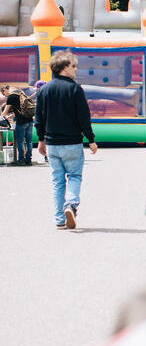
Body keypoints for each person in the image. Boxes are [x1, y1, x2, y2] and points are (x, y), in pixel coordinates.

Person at [34, 51, 98, 229]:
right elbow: (83, 117)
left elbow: (38, 118)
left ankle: (59, 219)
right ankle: (71, 204)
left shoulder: (44, 90)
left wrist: (41, 140)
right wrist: (90, 139)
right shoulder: (75, 89)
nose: (76, 69)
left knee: (57, 181)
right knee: (74, 176)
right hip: (72, 142)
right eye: (73, 66)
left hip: (52, 143)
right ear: (64, 68)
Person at [1, 83, 35, 165]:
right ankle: (28, 159)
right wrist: (11, 115)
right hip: (29, 120)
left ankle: (21, 160)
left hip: (21, 122)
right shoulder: (20, 93)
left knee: (20, 141)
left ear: (5, 90)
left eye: (4, 94)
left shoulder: (11, 97)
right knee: (29, 141)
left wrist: (3, 116)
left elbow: (4, 112)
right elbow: (20, 109)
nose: (5, 96)